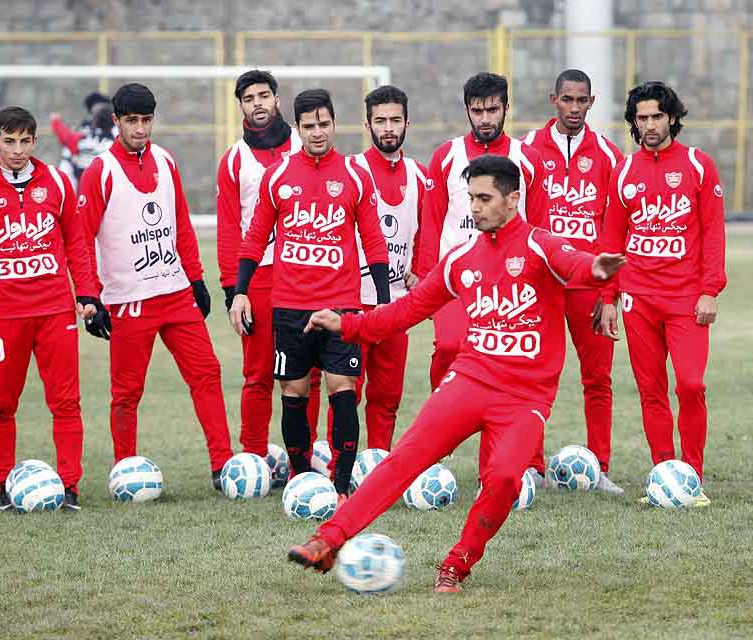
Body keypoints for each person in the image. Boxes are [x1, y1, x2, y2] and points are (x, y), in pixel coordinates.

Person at [286, 155, 625, 592]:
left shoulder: (540, 245)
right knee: (405, 457)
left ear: (513, 199)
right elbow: (406, 311)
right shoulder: (459, 259)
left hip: (525, 397)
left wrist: (595, 270)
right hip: (469, 380)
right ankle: (327, 540)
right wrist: (348, 324)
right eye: (470, 198)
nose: (475, 208)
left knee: (504, 478)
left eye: (484, 198)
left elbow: (574, 260)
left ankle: (457, 563)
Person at [229, 88, 390, 499]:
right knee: (294, 393)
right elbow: (254, 239)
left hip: (341, 306)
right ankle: (301, 482)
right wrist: (241, 292)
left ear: (335, 124)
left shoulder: (355, 175)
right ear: (297, 129)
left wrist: (384, 304)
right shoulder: (278, 176)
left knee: (343, 390)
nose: (317, 133)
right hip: (289, 307)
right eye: (309, 126)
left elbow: (374, 242)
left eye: (324, 124)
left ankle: (339, 485)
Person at [78, 83, 234, 489]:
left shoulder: (165, 161)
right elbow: (80, 238)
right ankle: (124, 470)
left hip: (176, 293)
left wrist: (196, 278)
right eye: (132, 121)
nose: (140, 129)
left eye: (147, 121)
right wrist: (90, 297)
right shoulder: (100, 172)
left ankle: (222, 466)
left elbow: (181, 223)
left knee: (207, 372)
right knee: (127, 392)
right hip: (129, 300)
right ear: (116, 121)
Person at [0, 106, 102, 511]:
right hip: (4, 316)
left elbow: (76, 241)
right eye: (9, 141)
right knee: (1, 403)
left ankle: (70, 486)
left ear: (35, 141)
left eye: (24, 141)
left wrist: (86, 293)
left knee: (66, 402)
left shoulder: (56, 181)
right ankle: (2, 484)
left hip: (55, 311)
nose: (17, 150)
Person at [598, 81, 726, 506]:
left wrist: (710, 291)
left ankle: (691, 475)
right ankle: (663, 472)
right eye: (642, 118)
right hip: (639, 298)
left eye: (657, 116)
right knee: (651, 391)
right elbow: (612, 241)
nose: (650, 125)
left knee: (690, 385)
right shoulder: (624, 172)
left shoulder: (698, 165)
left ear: (671, 117)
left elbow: (713, 235)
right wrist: (609, 299)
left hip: (687, 299)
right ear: (634, 122)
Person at [417, 71, 549, 483]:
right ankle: (446, 430)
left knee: (520, 367)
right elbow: (432, 217)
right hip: (458, 280)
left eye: (493, 109)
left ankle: (530, 463)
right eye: (478, 110)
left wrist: (542, 278)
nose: (485, 118)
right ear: (467, 111)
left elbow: (540, 222)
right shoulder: (447, 156)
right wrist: (425, 280)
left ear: (506, 109)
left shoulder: (527, 159)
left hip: (513, 283)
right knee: (451, 345)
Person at [521, 69, 625, 494]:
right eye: (568, 99)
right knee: (533, 376)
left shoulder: (607, 155)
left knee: (597, 378)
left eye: (582, 100)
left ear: (592, 102)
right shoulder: (527, 150)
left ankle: (599, 467)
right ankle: (531, 466)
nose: (575, 108)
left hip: (589, 286)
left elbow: (617, 229)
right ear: (553, 99)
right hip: (542, 284)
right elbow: (518, 222)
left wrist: (610, 293)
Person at [216, 69, 322, 458]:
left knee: (308, 372)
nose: (257, 103)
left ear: (278, 100)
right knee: (258, 373)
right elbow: (229, 228)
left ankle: (305, 454)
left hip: (306, 270)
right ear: (241, 106)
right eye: (249, 98)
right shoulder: (234, 160)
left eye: (264, 95)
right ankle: (253, 457)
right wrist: (234, 291)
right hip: (258, 277)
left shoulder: (305, 142)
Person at [324, 85, 428, 451]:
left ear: (406, 124)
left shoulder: (419, 175)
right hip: (352, 302)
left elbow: (427, 231)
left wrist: (421, 268)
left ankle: (378, 462)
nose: (388, 128)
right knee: (345, 392)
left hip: (396, 306)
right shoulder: (351, 169)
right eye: (380, 120)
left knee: (387, 396)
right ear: (367, 125)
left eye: (395, 120)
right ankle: (340, 464)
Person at [51, 91, 112, 189]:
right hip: (82, 172)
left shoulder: (116, 132)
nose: (97, 112)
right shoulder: (86, 128)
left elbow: (69, 140)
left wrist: (56, 122)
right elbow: (71, 141)